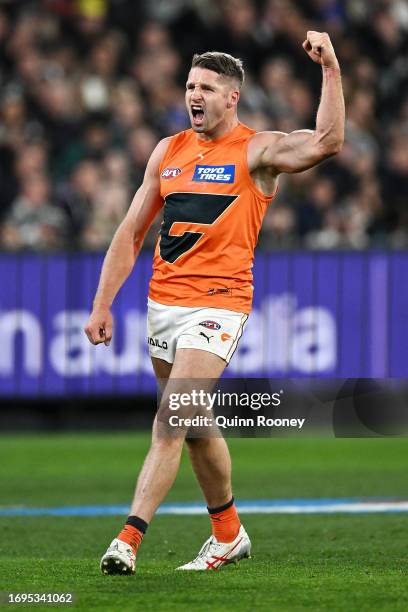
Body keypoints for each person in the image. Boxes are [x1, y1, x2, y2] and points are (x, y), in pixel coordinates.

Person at [84, 31, 344, 574]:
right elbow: (131, 232)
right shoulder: (168, 151)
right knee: (197, 423)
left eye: (205, 87)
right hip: (164, 304)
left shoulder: (258, 150)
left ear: (233, 98)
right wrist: (102, 304)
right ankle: (228, 533)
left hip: (220, 304)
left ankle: (128, 539)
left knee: (171, 417)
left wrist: (331, 69)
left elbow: (326, 141)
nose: (193, 96)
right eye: (188, 86)